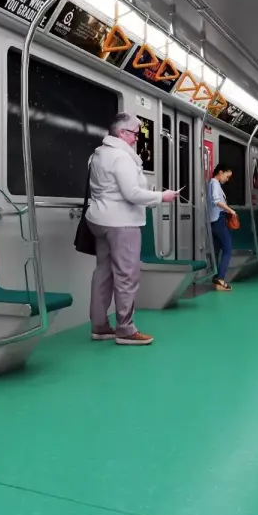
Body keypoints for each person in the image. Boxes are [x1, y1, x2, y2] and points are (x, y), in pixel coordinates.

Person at [87, 113, 179, 346]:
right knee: (127, 275)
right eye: (135, 134)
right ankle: (126, 329)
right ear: (122, 133)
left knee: (103, 273)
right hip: (122, 222)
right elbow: (132, 193)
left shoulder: (98, 154)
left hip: (99, 220)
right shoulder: (121, 157)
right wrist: (162, 196)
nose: (137, 139)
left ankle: (99, 325)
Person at [207, 164, 238, 292]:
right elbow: (216, 201)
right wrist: (230, 210)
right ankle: (220, 280)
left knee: (217, 249)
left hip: (214, 220)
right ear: (220, 172)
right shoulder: (214, 183)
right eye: (227, 176)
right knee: (227, 249)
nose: (227, 179)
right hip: (219, 220)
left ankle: (215, 277)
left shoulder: (212, 183)